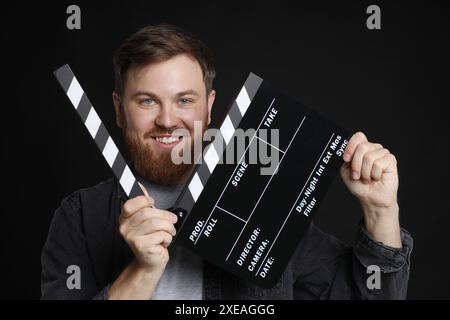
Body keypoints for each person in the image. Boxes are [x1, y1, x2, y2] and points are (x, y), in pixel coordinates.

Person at [41, 24, 412, 300]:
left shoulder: (262, 201)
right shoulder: (80, 218)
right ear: (120, 112)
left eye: (185, 100)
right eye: (147, 101)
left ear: (210, 106)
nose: (168, 120)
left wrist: (381, 211)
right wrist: (142, 271)